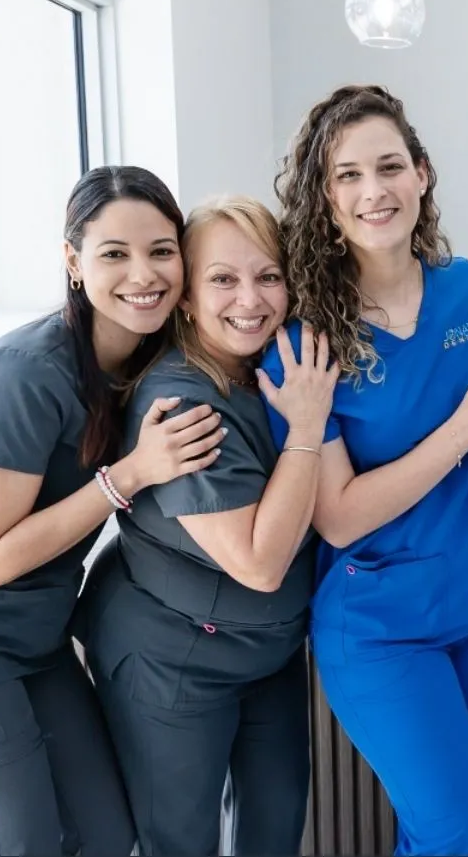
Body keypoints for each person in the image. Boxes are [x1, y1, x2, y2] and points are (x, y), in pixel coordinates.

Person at [0, 165, 225, 856]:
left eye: (161, 250)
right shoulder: (21, 374)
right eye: (114, 252)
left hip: (34, 639)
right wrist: (130, 474)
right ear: (73, 261)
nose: (142, 273)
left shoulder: (150, 364)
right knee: (26, 845)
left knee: (109, 835)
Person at [259, 83, 468, 857]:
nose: (373, 191)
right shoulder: (305, 340)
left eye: (388, 166)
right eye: (347, 175)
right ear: (325, 197)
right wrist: (466, 427)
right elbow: (336, 513)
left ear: (422, 174)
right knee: (455, 832)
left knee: (440, 829)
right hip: (379, 629)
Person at [74, 195, 338, 856]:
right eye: (222, 278)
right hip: (175, 659)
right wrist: (308, 428)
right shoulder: (183, 401)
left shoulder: (274, 366)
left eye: (268, 275)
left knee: (274, 829)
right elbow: (259, 561)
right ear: (186, 297)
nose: (250, 298)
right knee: (180, 842)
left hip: (268, 651)